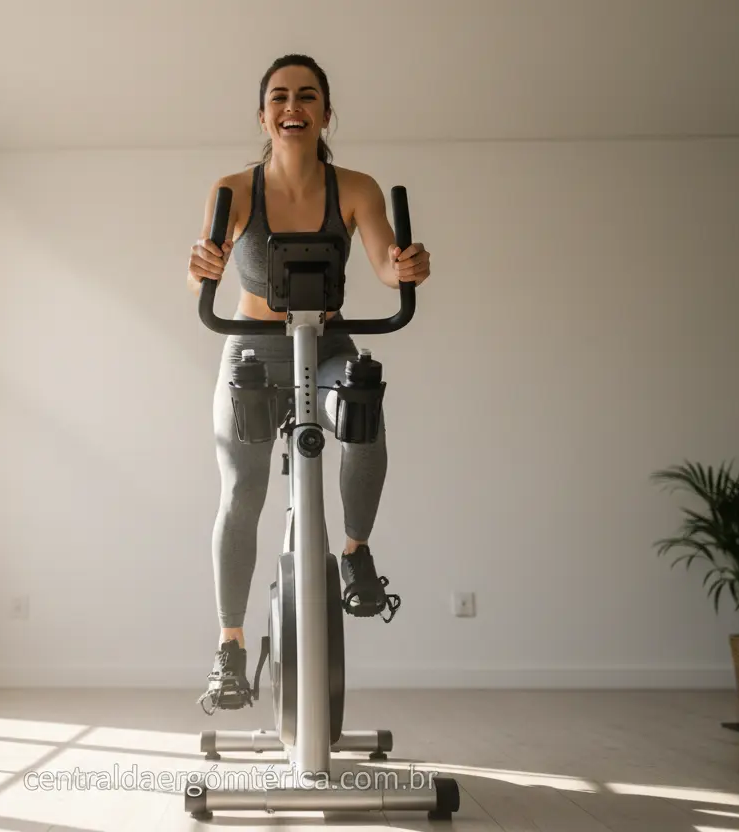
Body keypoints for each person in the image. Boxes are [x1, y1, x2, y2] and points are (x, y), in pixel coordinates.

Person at [186, 54, 431, 713]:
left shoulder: (354, 187)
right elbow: (202, 273)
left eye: (307, 95)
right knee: (242, 488)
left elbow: (383, 263)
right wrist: (202, 265)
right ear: (263, 114)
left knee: (361, 409)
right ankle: (230, 647)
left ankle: (354, 553)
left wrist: (405, 265)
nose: (292, 106)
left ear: (326, 112)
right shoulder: (234, 189)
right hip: (253, 348)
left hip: (326, 344)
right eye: (280, 96)